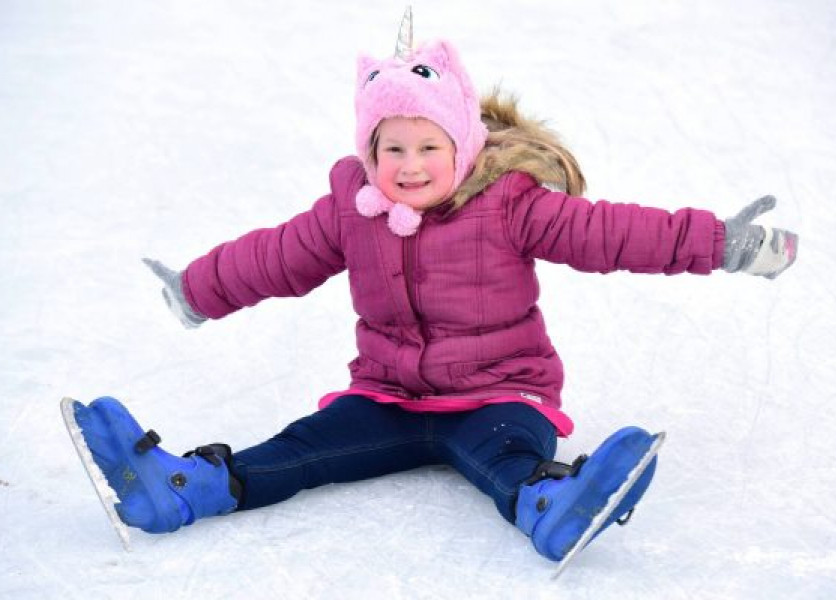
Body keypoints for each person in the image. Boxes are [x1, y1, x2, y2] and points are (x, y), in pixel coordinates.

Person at [66, 22, 797, 565]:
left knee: (508, 458)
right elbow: (275, 255)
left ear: (462, 146)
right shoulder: (351, 212)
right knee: (298, 449)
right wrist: (198, 289)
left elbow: (608, 234)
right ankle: (184, 489)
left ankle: (553, 503)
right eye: (392, 149)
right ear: (369, 153)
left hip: (502, 395)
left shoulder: (509, 204)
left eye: (428, 147)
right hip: (385, 396)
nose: (410, 167)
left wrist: (718, 243)